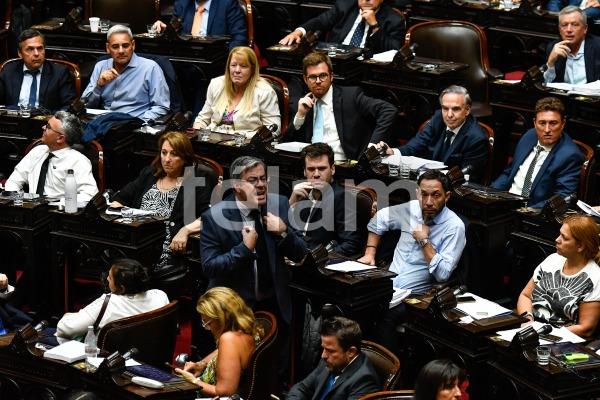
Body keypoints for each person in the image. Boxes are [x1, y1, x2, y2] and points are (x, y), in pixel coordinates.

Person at [358, 170, 465, 354]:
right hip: (388, 285)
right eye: (424, 194)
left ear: (447, 196)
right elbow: (379, 219)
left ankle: (390, 372)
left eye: (436, 195)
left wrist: (424, 242)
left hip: (417, 297)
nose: (429, 202)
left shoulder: (454, 227)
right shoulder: (411, 209)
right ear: (417, 193)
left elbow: (443, 274)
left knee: (385, 316)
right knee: (357, 303)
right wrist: (370, 252)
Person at [200, 156, 308, 324]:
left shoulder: (279, 204)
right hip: (233, 308)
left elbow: (300, 252)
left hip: (274, 305)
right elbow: (210, 267)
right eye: (252, 180)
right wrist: (244, 249)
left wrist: (284, 232)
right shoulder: (215, 217)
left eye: (263, 178)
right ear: (236, 185)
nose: (261, 185)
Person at [111, 132, 215, 283]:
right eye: (164, 153)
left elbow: (209, 216)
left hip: (167, 249)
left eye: (174, 154)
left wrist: (185, 231)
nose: (167, 159)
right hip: (136, 242)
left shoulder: (195, 181)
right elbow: (121, 198)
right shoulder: (150, 173)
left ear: (185, 158)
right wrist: (116, 209)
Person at [283, 52, 396, 161]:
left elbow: (388, 110)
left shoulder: (350, 96)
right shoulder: (304, 103)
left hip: (344, 165)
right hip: (312, 166)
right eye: (313, 77)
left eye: (323, 76)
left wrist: (372, 147)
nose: (318, 81)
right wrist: (300, 115)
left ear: (331, 76)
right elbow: (286, 142)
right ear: (305, 79)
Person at [377, 85, 489, 183]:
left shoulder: (477, 139)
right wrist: (393, 152)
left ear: (467, 110)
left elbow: (467, 177)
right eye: (445, 108)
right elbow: (416, 145)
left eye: (455, 109)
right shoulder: (438, 118)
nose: (449, 115)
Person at [517, 214, 600, 338]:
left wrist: (546, 333)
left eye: (564, 238)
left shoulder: (595, 277)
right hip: (530, 330)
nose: (557, 239)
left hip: (561, 340)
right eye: (559, 234)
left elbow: (585, 328)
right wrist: (527, 321)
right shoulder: (553, 260)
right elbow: (526, 296)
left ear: (580, 246)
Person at [490, 97, 582, 209]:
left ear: (562, 124)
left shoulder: (570, 155)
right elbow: (509, 172)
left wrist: (527, 211)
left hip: (532, 212)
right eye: (542, 123)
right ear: (534, 123)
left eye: (553, 123)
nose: (547, 129)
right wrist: (490, 193)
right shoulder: (529, 136)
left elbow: (561, 198)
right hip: (505, 202)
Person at [175, 287, 263, 396]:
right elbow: (223, 352)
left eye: (208, 323)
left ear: (221, 319)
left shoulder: (228, 339)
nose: (208, 328)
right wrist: (202, 364)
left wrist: (193, 381)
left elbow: (224, 392)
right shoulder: (247, 328)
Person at [55, 258, 169, 339]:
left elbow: (66, 329)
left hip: (109, 361)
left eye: (110, 278)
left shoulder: (108, 303)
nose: (108, 279)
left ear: (122, 288)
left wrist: (68, 317)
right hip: (150, 356)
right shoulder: (160, 296)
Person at [289, 142, 367, 256]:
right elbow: (283, 232)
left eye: (321, 168)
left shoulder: (342, 198)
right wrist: (291, 204)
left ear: (333, 169)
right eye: (311, 169)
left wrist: (318, 258)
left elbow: (351, 244)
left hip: (319, 265)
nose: (316, 174)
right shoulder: (299, 193)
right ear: (304, 171)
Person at [81, 25, 170, 122]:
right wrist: (99, 87)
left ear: (133, 45)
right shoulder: (101, 66)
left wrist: (139, 122)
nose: (121, 51)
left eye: (125, 46)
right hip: (104, 123)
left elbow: (161, 107)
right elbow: (85, 105)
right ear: (107, 48)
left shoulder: (150, 68)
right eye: (115, 47)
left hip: (134, 125)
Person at [5, 111, 98, 201]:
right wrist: (16, 201)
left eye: (48, 127)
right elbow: (14, 181)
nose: (43, 127)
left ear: (60, 138)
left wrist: (61, 203)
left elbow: (89, 195)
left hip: (59, 212)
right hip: (30, 209)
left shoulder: (78, 161)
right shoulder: (37, 151)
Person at [192, 46, 280, 136]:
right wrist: (197, 134)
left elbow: (273, 129)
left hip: (245, 145)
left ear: (252, 69)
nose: (237, 70)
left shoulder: (265, 92)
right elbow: (203, 119)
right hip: (212, 141)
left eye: (243, 66)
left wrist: (250, 141)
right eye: (233, 65)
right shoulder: (216, 84)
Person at [287, 316, 380, 399]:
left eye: (330, 351)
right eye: (323, 348)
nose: (323, 355)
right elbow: (301, 388)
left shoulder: (364, 380)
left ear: (351, 352)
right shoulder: (329, 360)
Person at [278, 0, 405, 54]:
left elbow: (394, 50)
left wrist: (375, 26)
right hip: (336, 59)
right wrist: (297, 32)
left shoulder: (394, 19)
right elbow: (320, 21)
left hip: (363, 67)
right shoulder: (345, 6)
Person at [0, 29, 76, 112]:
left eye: (40, 48)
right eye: (30, 49)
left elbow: (69, 106)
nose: (36, 54)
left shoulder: (60, 73)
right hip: (15, 121)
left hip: (45, 122)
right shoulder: (9, 71)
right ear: (20, 53)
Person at [152, 0, 247, 49]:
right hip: (187, 59)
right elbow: (174, 31)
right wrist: (164, 30)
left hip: (216, 59)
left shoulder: (227, 3)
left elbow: (239, 36)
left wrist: (231, 60)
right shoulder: (182, 3)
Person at [543, 6, 600, 84]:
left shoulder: (597, 46)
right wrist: (550, 63)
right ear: (560, 30)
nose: (569, 30)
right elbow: (547, 84)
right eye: (564, 25)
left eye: (575, 24)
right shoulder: (553, 48)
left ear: (585, 29)